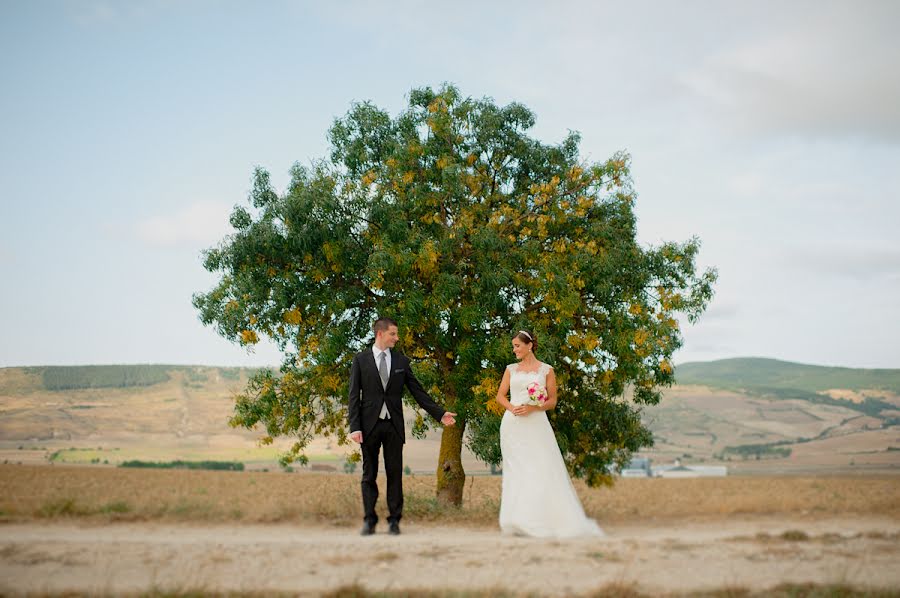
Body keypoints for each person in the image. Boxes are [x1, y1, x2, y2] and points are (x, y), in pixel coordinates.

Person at [348, 317, 457, 536]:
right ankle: (369, 520)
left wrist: (439, 413)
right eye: (393, 334)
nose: (397, 338)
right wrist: (354, 427)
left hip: (394, 427)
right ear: (380, 334)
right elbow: (353, 396)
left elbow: (418, 391)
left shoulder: (401, 361)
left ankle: (394, 521)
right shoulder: (360, 360)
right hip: (368, 427)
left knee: (394, 473)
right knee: (368, 475)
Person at [494, 329, 604, 537]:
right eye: (513, 346)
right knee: (516, 469)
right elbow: (500, 396)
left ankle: (538, 519)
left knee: (539, 467)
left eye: (517, 346)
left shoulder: (546, 370)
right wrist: (512, 408)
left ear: (529, 346)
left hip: (536, 424)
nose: (514, 350)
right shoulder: (510, 369)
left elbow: (552, 401)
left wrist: (533, 408)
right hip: (512, 424)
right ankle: (515, 519)